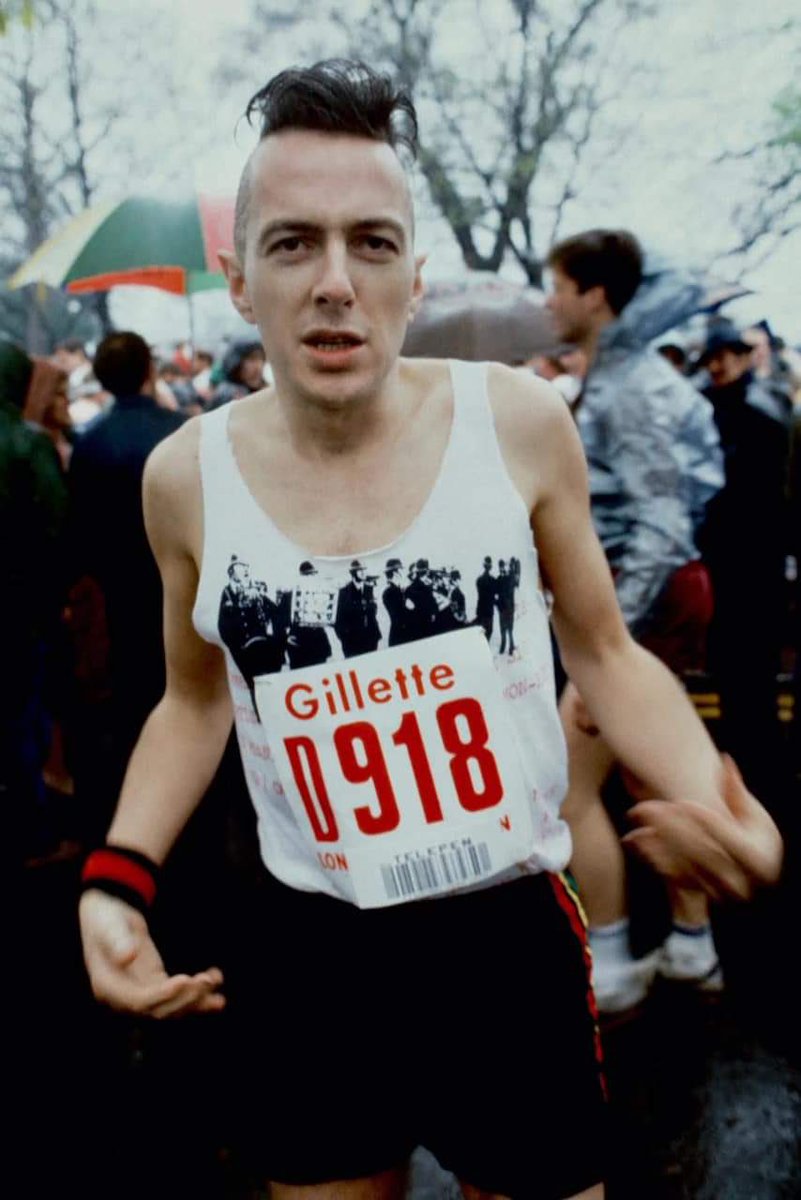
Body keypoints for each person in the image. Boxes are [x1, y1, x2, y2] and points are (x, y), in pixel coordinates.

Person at [79, 61, 736, 1200]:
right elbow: (193, 703)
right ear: (241, 283)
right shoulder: (186, 477)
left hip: (503, 944)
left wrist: (729, 815)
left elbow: (605, 650)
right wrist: (115, 878)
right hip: (309, 950)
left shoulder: (519, 424)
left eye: (372, 243)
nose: (336, 282)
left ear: (413, 276)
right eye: (293, 245)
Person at [545, 230, 725, 1013]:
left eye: (555, 286)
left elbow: (660, 525)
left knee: (567, 788)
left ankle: (613, 958)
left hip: (636, 598)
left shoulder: (630, 388)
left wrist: (608, 651)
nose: (547, 302)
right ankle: (689, 946)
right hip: (638, 597)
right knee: (649, 776)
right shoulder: (620, 378)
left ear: (594, 295)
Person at [68, 331, 185, 834]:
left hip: (118, 581)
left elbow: (81, 528)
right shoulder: (182, 432)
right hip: (180, 576)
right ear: (148, 370)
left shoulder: (89, 443)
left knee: (136, 683)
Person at [695, 321, 791, 804]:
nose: (719, 365)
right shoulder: (710, 411)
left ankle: (763, 786)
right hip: (728, 564)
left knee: (751, 685)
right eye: (714, 357)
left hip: (755, 564)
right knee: (736, 681)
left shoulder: (763, 414)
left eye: (728, 355)